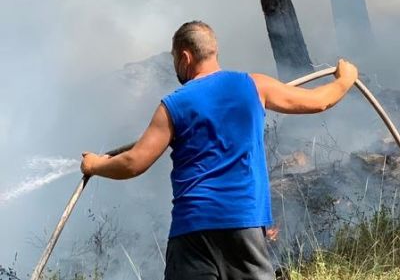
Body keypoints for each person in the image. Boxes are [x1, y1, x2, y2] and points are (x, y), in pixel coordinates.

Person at [79, 21, 359, 280]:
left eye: (175, 59)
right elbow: (318, 101)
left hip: (193, 232)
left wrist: (94, 165)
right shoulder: (254, 85)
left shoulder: (173, 105)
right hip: (244, 225)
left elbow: (133, 162)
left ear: (185, 57)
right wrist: (344, 80)